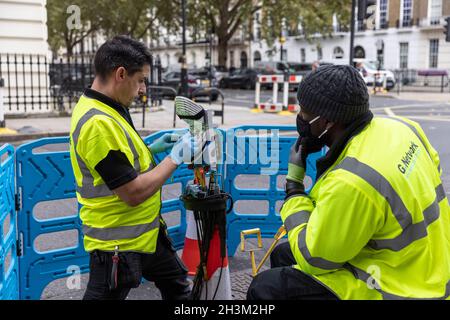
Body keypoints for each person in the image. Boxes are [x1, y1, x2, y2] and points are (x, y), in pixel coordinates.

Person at [247, 65, 450, 300]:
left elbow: (315, 259)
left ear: (327, 122)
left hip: (398, 287)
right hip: (430, 261)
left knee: (266, 288)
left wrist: (294, 187)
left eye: (303, 112)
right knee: (284, 253)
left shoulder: (353, 179)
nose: (301, 119)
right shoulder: (403, 128)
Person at [69, 35, 200, 300]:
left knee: (178, 288)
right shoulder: (97, 123)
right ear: (120, 74)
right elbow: (132, 193)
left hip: (145, 234)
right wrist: (175, 157)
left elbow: (116, 165)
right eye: (140, 80)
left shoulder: (108, 106)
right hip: (117, 244)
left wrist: (152, 149)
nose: (143, 90)